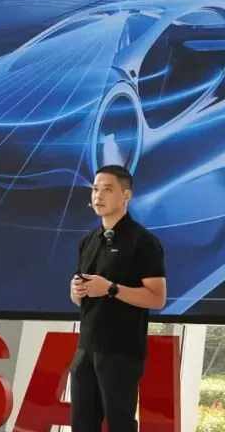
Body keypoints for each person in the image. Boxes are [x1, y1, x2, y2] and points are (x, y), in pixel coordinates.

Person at [70, 164, 166, 432]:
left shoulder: (143, 241)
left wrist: (111, 288)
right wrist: (76, 291)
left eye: (107, 189)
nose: (98, 196)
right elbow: (83, 297)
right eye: (95, 189)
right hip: (86, 347)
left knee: (119, 424)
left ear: (126, 195)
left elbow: (157, 298)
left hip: (121, 350)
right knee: (81, 424)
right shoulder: (88, 240)